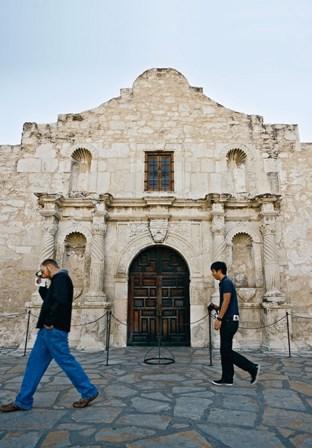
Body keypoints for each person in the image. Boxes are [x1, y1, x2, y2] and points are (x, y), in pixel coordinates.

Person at [0, 259, 98, 412]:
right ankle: (23, 401)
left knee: (66, 361)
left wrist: (50, 321)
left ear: (49, 266)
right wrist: (41, 285)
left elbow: (61, 302)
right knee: (34, 364)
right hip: (47, 332)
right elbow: (50, 300)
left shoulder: (61, 278)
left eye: (43, 270)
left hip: (54, 330)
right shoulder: (57, 281)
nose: (42, 273)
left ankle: (88, 391)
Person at [209, 261, 260, 386]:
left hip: (228, 321)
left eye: (213, 272)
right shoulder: (225, 283)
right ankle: (227, 378)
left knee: (226, 351)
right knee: (225, 350)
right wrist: (216, 307)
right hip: (229, 320)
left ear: (219, 270)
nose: (213, 274)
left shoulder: (226, 283)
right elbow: (226, 303)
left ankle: (252, 368)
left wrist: (219, 319)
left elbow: (227, 300)